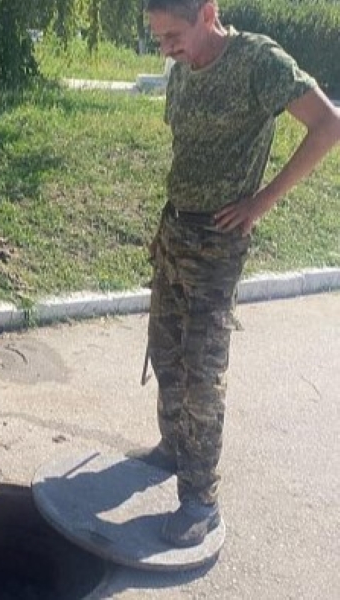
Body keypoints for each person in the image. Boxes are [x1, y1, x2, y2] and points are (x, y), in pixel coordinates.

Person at [136, 0, 340, 547]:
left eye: (173, 35)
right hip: (175, 230)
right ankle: (175, 446)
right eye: (158, 39)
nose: (167, 49)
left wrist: (263, 201)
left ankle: (200, 500)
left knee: (202, 371)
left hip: (218, 242)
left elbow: (329, 125)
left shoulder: (256, 61)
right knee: (165, 350)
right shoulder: (182, 70)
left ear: (208, 12)